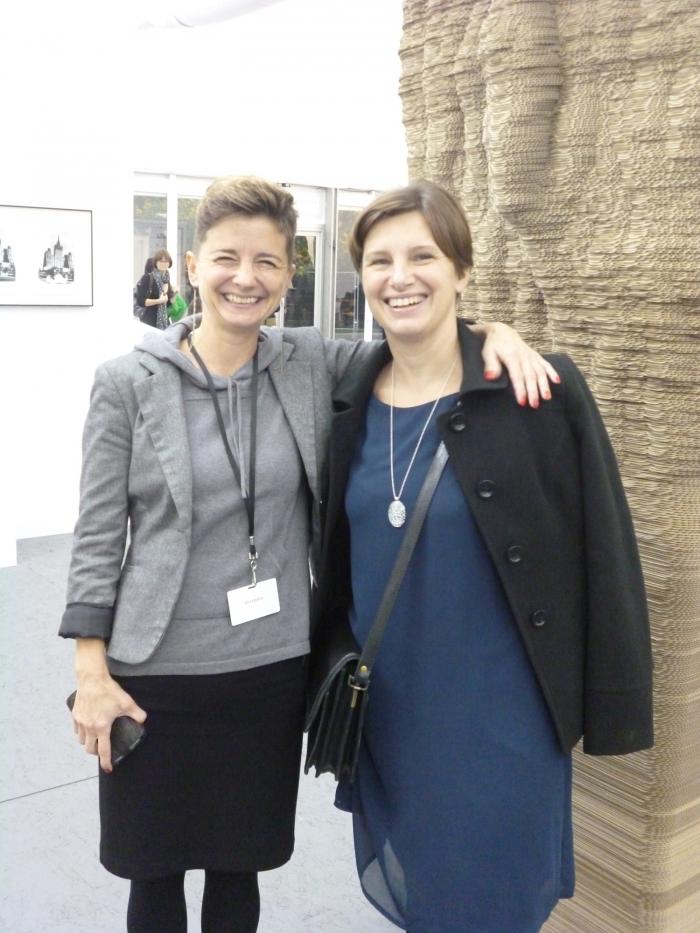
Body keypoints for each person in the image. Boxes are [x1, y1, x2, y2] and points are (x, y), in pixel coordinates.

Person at [60, 175, 558, 933]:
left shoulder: (309, 363)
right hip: (154, 674)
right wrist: (90, 674)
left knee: (239, 867)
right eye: (227, 258)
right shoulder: (128, 383)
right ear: (194, 266)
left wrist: (495, 333)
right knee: (152, 873)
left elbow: (417, 337)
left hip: (269, 670)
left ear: (288, 275)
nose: (246, 277)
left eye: (267, 261)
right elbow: (98, 535)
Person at [316, 180, 654, 933]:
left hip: (502, 725)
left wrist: (616, 703)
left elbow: (607, 550)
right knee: (427, 900)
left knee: (491, 904)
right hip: (393, 718)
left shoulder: (537, 391)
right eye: (379, 260)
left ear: (462, 270)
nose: (399, 277)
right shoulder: (346, 395)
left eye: (423, 256)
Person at [135, 248, 175, 329]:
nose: (163, 264)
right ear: (156, 262)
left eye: (166, 261)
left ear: (169, 263)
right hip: (149, 322)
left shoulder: (167, 279)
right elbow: (141, 301)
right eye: (161, 261)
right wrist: (159, 301)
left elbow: (167, 304)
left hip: (165, 322)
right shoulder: (147, 278)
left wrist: (173, 295)